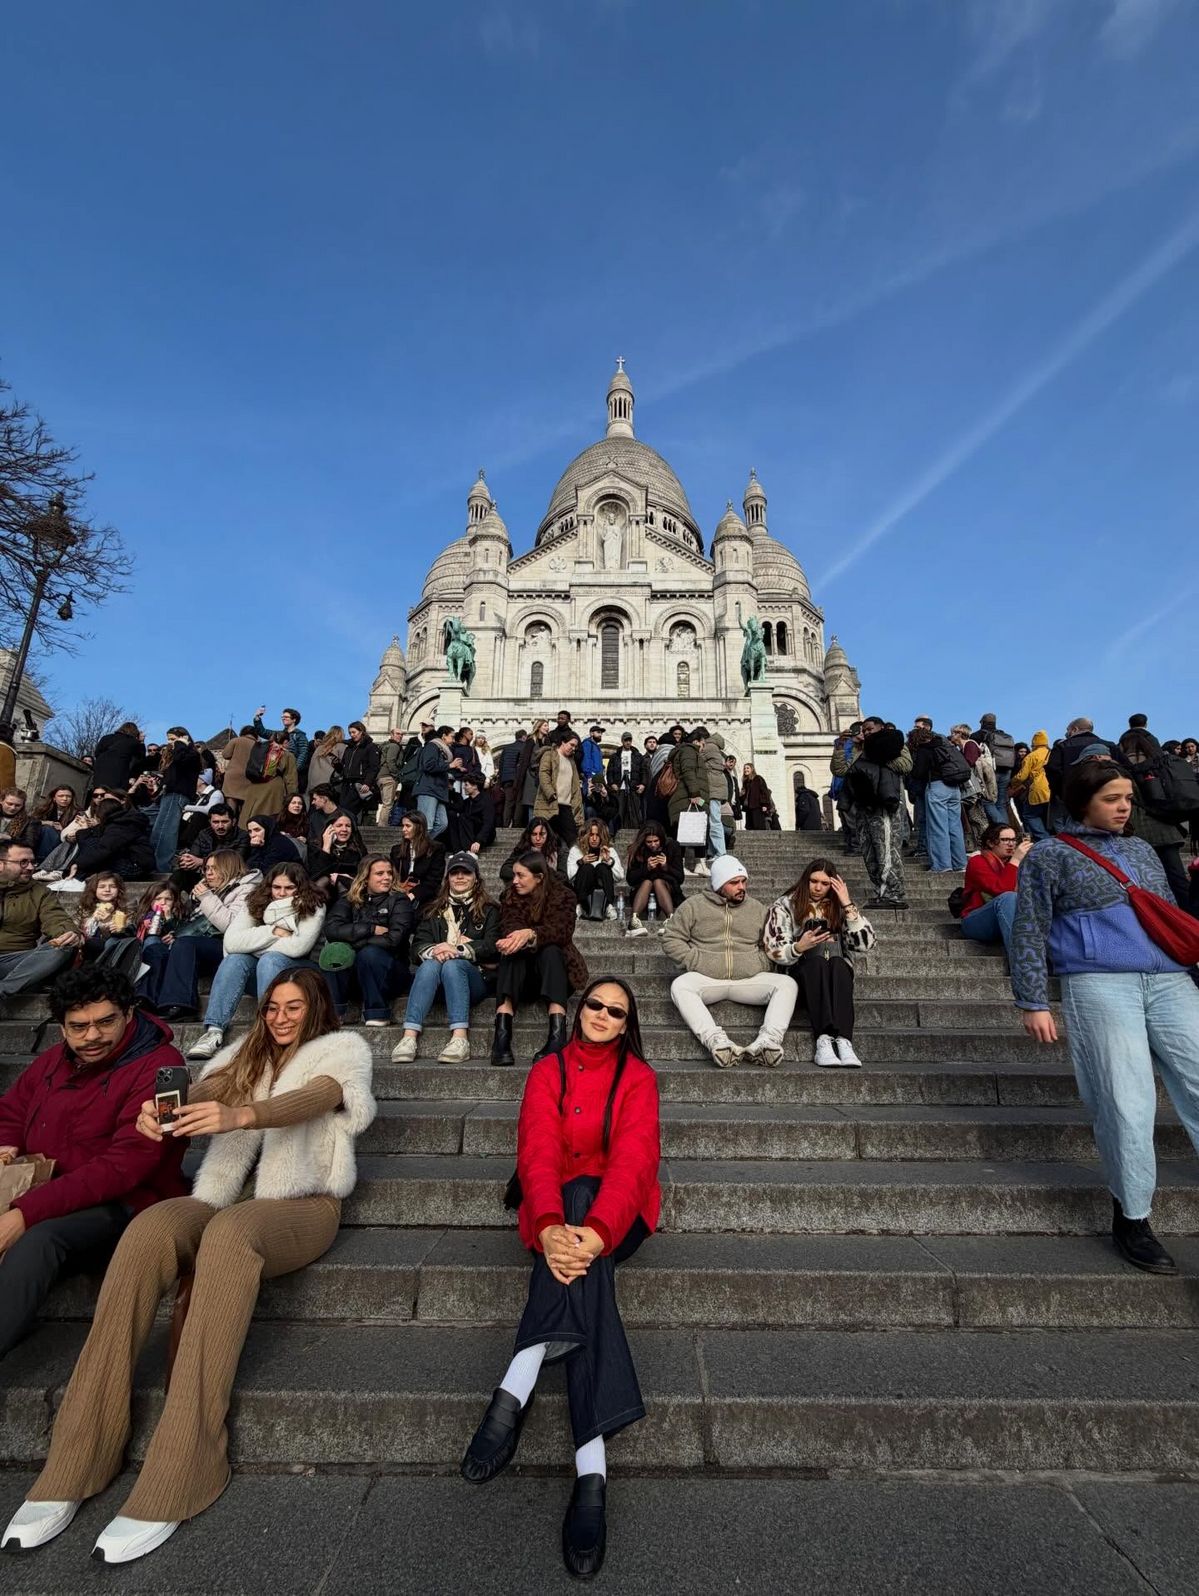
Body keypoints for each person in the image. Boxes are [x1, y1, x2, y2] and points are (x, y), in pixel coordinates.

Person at [2, 968, 374, 1562]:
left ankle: (187, 1461)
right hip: (222, 1196)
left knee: (228, 1237)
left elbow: (317, 1096)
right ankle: (80, 1453)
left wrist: (244, 1116)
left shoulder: (344, 1050)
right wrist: (162, 1112)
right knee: (151, 1228)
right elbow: (205, 1091)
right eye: (273, 1007)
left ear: (317, 1009)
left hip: (302, 1204)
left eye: (294, 1008)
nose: (280, 1018)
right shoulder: (241, 1054)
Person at [460, 977, 660, 1580]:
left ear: (627, 1025)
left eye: (615, 1011)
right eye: (594, 1005)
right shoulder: (549, 1069)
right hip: (554, 1215)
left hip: (615, 1219)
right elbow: (537, 1150)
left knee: (588, 1197)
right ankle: (591, 1473)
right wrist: (550, 1227)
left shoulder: (639, 1079)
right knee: (573, 1211)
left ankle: (513, 1390)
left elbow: (634, 1161)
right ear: (579, 1012)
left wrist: (595, 1234)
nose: (602, 1015)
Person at [1013, 759, 1199, 1274]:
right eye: (1111, 799)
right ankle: (1133, 1218)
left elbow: (1166, 917)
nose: (1123, 808)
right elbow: (1028, 927)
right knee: (1125, 1100)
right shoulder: (1048, 855)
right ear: (1081, 802)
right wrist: (1033, 1000)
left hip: (1168, 980)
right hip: (1098, 984)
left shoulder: (1141, 849)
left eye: (1126, 799)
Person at [0, 966, 188, 1362]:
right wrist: (6, 1146)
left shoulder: (166, 1069)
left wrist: (24, 1214)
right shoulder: (55, 1058)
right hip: (43, 1187)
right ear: (62, 1027)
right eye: (78, 1026)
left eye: (105, 1022)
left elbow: (125, 1167)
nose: (92, 1036)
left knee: (39, 1239)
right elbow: (12, 1111)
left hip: (125, 1205)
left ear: (129, 1014)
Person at [661, 855, 797, 1068]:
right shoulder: (693, 906)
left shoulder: (757, 909)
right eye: (734, 882)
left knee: (787, 984)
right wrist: (694, 959)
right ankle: (717, 1041)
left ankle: (768, 1042)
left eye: (744, 881)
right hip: (707, 978)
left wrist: (760, 962)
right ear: (718, 884)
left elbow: (770, 943)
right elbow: (671, 938)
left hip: (749, 980)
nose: (741, 887)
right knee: (680, 985)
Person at [187, 862, 327, 1061]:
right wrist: (272, 932)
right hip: (264, 973)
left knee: (269, 960)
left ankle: (271, 1030)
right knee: (235, 960)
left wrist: (254, 944)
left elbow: (298, 948)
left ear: (300, 888)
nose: (281, 893)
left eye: (289, 888)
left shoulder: (313, 904)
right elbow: (232, 942)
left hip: (303, 974)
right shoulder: (256, 901)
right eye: (277, 887)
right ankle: (214, 1031)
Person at [763, 859, 876, 1066]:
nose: (817, 888)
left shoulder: (839, 907)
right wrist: (799, 946)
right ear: (805, 880)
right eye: (814, 881)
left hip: (835, 976)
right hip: (801, 976)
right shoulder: (785, 904)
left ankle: (843, 1040)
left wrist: (847, 904)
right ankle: (823, 1038)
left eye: (825, 884)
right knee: (816, 963)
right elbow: (772, 947)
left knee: (839, 963)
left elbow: (866, 944)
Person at [393, 853, 500, 1063]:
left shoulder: (490, 910)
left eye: (466, 872)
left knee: (453, 964)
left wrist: (457, 949)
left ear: (475, 878)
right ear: (448, 878)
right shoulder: (433, 909)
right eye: (454, 873)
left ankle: (460, 1038)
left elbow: (493, 946)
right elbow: (417, 947)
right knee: (430, 964)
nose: (460, 877)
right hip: (435, 984)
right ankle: (409, 1036)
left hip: (474, 981)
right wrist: (436, 950)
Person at [491, 852, 589, 1067]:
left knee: (552, 950)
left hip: (554, 973)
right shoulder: (510, 895)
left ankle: (557, 1036)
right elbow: (510, 926)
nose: (514, 880)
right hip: (521, 978)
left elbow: (562, 931)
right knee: (511, 951)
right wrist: (518, 937)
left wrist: (532, 934)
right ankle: (501, 1038)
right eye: (514, 875)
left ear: (539, 877)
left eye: (520, 875)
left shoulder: (564, 895)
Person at [151, 851, 262, 1021]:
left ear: (229, 869)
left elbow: (230, 925)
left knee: (185, 944)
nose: (208, 873)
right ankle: (146, 1001)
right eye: (207, 868)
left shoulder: (248, 889)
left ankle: (182, 1005)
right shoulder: (209, 889)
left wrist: (207, 897)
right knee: (156, 948)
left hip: (227, 946)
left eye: (214, 868)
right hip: (199, 945)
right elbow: (191, 925)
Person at [321, 854, 413, 1025]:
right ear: (365, 877)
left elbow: (394, 940)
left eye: (389, 873)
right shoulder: (349, 899)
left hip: (390, 972)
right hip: (356, 974)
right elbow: (332, 930)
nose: (387, 877)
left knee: (369, 954)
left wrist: (353, 943)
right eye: (380, 874)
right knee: (334, 951)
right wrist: (370, 929)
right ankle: (336, 1011)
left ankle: (377, 1012)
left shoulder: (399, 900)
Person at [831, 717, 912, 909]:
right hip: (863, 805)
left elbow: (905, 766)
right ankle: (880, 890)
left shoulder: (894, 743)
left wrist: (874, 752)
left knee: (886, 849)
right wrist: (842, 747)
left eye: (870, 729)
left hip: (884, 804)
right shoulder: (859, 750)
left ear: (881, 728)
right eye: (863, 730)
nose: (866, 733)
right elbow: (840, 770)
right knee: (869, 852)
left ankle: (894, 894)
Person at [0, 839, 80, 1009]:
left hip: (20, 963)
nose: (30, 867)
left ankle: (4, 990)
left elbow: (56, 918)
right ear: (1, 864)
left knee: (62, 946)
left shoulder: (40, 892)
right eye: (23, 862)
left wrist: (67, 933)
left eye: (32, 862)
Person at [1119, 728, 1192, 909]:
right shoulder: (1160, 764)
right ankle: (1191, 919)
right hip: (1167, 827)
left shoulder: (1123, 768)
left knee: (1147, 881)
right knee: (1178, 878)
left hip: (1141, 830)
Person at [960, 822, 1032, 957]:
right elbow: (1002, 889)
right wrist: (1016, 860)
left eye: (1013, 840)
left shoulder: (1016, 864)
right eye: (1005, 840)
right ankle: (1022, 962)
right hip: (976, 920)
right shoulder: (977, 862)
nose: (1011, 844)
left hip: (1008, 919)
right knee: (1009, 898)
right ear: (991, 843)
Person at [909, 729, 969, 874]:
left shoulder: (925, 749)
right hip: (954, 788)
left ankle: (942, 865)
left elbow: (918, 773)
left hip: (937, 787)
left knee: (937, 827)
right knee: (955, 827)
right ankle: (960, 863)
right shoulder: (946, 745)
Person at [60, 797, 155, 883]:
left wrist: (78, 864)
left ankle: (79, 875)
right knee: (90, 841)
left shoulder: (121, 825)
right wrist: (85, 830)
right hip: (133, 864)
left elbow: (104, 849)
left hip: (135, 868)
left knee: (92, 844)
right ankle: (79, 875)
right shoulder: (118, 823)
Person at [150, 729, 202, 872]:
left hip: (177, 795)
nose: (170, 743)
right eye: (169, 739)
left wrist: (180, 744)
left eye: (173, 739)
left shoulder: (191, 754)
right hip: (167, 794)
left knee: (165, 832)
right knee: (155, 829)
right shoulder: (177, 754)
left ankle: (162, 866)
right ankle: (153, 862)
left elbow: (181, 760)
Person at [624, 824, 685, 936]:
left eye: (656, 841)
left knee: (657, 881)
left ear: (661, 838)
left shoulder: (672, 846)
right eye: (649, 842)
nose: (653, 845)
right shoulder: (637, 849)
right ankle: (634, 921)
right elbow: (630, 879)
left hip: (667, 888)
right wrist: (646, 868)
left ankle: (671, 920)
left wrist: (666, 867)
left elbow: (680, 877)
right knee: (648, 882)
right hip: (642, 890)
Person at [173, 804, 248, 885]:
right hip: (204, 875)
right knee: (179, 875)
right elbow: (194, 855)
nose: (220, 826)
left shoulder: (242, 836)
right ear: (210, 822)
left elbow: (234, 862)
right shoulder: (204, 834)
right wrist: (186, 860)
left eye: (224, 822)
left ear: (233, 822)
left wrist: (202, 861)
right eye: (215, 822)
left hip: (227, 878)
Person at [567, 820, 625, 921]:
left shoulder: (609, 851)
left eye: (597, 835)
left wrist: (609, 861)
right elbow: (570, 876)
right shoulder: (576, 850)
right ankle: (580, 906)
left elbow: (620, 876)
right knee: (587, 868)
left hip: (602, 894)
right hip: (583, 893)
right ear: (585, 836)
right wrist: (581, 862)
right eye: (591, 835)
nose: (594, 839)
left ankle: (607, 906)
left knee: (602, 867)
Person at [240, 730, 299, 826]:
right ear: (285, 742)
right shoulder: (287, 755)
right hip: (274, 790)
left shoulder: (260, 750)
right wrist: (292, 797)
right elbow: (291, 779)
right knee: (268, 819)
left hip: (254, 788)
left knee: (249, 816)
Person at [390, 809, 447, 907]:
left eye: (408, 826)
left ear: (419, 827)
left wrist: (413, 894)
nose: (403, 829)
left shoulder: (436, 849)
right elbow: (393, 875)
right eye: (403, 826)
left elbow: (434, 880)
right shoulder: (396, 850)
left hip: (426, 896)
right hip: (401, 892)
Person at [535, 732, 584, 847]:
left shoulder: (572, 761)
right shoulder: (549, 755)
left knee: (573, 841)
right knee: (545, 842)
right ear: (563, 742)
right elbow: (543, 774)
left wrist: (576, 804)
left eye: (575, 747)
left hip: (566, 807)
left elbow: (575, 785)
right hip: (550, 805)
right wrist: (550, 794)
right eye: (571, 745)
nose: (573, 749)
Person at [306, 812, 366, 898]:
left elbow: (363, 873)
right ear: (329, 828)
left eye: (348, 826)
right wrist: (326, 847)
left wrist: (341, 877)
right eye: (339, 825)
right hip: (323, 893)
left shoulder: (358, 849)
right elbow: (315, 875)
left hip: (349, 891)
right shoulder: (314, 847)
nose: (344, 829)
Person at [974, 714, 1018, 826]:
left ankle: (1002, 828)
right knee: (1001, 803)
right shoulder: (1004, 735)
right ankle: (1007, 830)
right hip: (1007, 770)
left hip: (990, 770)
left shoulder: (977, 735)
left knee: (987, 800)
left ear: (982, 722)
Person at [251, 705, 309, 786]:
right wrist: (257, 717)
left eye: (286, 716)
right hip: (277, 769)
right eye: (282, 716)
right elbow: (262, 732)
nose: (283, 718)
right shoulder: (278, 734)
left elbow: (303, 754)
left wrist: (294, 769)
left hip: (290, 770)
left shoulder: (300, 736)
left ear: (294, 719)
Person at [414, 724, 454, 840]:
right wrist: (449, 765)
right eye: (452, 736)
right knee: (427, 825)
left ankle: (421, 845)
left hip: (438, 791)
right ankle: (416, 849)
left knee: (442, 824)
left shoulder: (442, 751)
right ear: (444, 736)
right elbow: (429, 765)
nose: (453, 740)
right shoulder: (432, 746)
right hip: (428, 789)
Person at [1010, 731, 1052, 841]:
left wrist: (1012, 782)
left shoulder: (1031, 756)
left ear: (1035, 742)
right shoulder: (1052, 753)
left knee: (1029, 815)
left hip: (1038, 789)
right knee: (1047, 817)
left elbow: (1022, 776)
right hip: (1052, 789)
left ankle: (1044, 839)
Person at [337, 721, 381, 820]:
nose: (352, 735)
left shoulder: (370, 747)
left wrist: (367, 782)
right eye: (350, 733)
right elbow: (344, 765)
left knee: (348, 809)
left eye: (354, 732)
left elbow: (374, 767)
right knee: (344, 809)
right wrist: (337, 765)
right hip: (346, 782)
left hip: (359, 783)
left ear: (361, 731)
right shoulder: (349, 748)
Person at [500, 818, 563, 883]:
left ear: (548, 834)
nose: (538, 838)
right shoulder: (522, 850)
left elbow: (563, 876)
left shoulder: (556, 850)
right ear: (529, 835)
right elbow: (505, 870)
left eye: (542, 834)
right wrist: (527, 875)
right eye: (534, 834)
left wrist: (544, 875)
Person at [514, 718, 551, 829]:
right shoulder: (531, 741)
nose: (547, 727)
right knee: (531, 804)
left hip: (544, 776)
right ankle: (532, 830)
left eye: (547, 725)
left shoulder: (547, 741)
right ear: (539, 727)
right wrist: (519, 780)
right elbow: (524, 760)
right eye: (545, 725)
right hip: (532, 776)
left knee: (542, 804)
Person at [606, 732, 646, 835]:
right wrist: (611, 783)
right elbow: (609, 771)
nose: (628, 742)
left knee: (635, 810)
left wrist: (643, 784)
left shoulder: (638, 756)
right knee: (619, 810)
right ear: (622, 741)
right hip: (619, 787)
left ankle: (635, 833)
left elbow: (643, 771)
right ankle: (617, 833)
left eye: (629, 740)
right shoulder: (615, 756)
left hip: (633, 787)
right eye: (626, 740)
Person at [92, 722, 145, 795]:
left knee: (99, 794)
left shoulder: (106, 738)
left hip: (100, 773)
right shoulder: (133, 743)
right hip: (118, 775)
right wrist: (141, 742)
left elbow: (97, 753)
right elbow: (140, 760)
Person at [375, 727, 406, 824]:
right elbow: (390, 761)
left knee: (385, 803)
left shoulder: (385, 745)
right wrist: (396, 774)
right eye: (397, 734)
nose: (400, 736)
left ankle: (381, 824)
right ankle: (382, 827)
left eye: (401, 734)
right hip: (388, 777)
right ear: (392, 735)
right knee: (388, 804)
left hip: (381, 777)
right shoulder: (394, 746)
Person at [497, 729, 527, 829]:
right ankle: (516, 825)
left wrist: (500, 782)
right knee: (519, 802)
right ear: (524, 737)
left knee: (508, 802)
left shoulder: (507, 748)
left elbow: (501, 765)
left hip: (506, 780)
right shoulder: (525, 747)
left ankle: (505, 825)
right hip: (518, 779)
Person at [304, 726, 345, 795]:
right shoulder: (342, 747)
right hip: (331, 786)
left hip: (315, 784)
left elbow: (311, 767)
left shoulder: (319, 748)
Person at [740, 762, 774, 830]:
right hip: (748, 808)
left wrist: (765, 804)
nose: (745, 770)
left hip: (757, 806)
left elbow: (764, 792)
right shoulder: (746, 781)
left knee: (758, 825)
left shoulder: (758, 778)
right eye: (744, 768)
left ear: (752, 769)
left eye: (747, 768)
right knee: (749, 826)